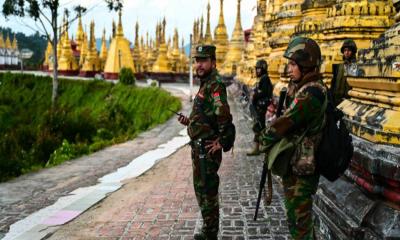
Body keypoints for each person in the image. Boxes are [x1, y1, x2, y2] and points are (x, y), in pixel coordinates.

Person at [259, 37, 327, 240]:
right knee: (299, 222)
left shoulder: (312, 93)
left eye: (293, 64)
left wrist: (263, 138)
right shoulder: (303, 87)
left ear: (306, 65)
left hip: (303, 168)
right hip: (297, 164)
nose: (289, 69)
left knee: (299, 223)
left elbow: (287, 121)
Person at [177, 44, 234, 240]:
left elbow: (224, 116)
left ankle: (210, 234)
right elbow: (207, 115)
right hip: (198, 147)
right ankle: (208, 230)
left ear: (213, 62)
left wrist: (223, 141)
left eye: (203, 60)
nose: (199, 65)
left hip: (206, 150)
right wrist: (190, 121)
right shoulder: (206, 83)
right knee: (201, 190)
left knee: (207, 191)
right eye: (197, 61)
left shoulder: (215, 86)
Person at [247, 59, 273, 156]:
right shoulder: (262, 78)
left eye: (259, 69)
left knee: (258, 127)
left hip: (261, 107)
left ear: (264, 69)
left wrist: (255, 94)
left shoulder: (265, 79)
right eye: (256, 69)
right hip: (258, 107)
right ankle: (263, 147)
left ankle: (258, 148)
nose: (257, 71)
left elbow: (264, 92)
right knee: (259, 126)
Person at [331, 39, 360, 106]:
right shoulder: (338, 67)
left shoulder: (354, 67)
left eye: (349, 50)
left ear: (353, 52)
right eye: (345, 50)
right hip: (336, 101)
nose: (346, 53)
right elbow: (334, 84)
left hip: (348, 101)